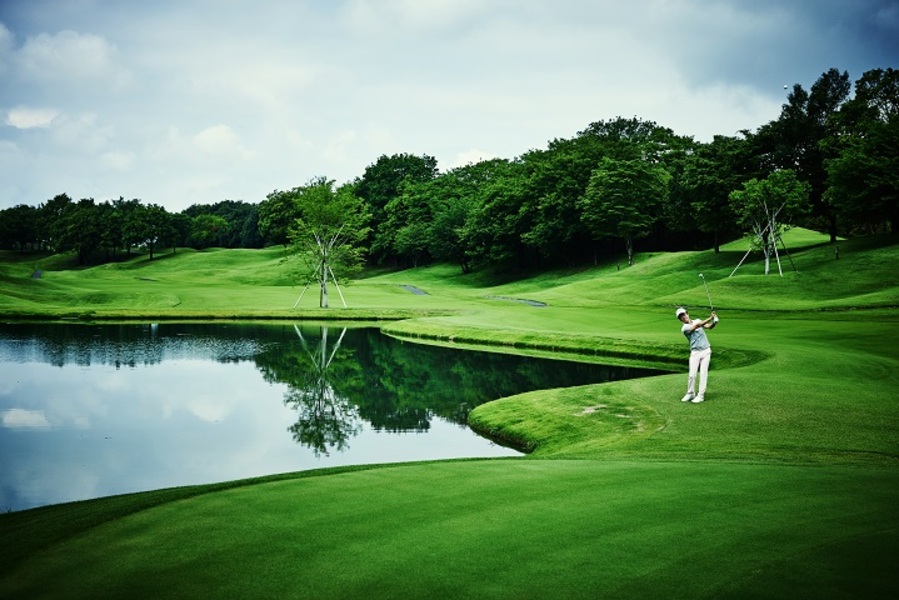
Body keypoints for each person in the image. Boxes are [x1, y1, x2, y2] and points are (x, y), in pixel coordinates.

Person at [675, 307, 718, 403]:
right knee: (692, 375)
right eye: (680, 317)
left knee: (703, 374)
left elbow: (708, 327)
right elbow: (697, 326)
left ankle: (700, 396)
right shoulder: (684, 328)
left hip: (706, 351)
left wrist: (714, 322)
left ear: (687, 313)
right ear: (679, 319)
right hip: (695, 352)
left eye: (684, 314)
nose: (683, 317)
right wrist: (710, 317)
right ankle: (690, 393)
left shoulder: (698, 320)